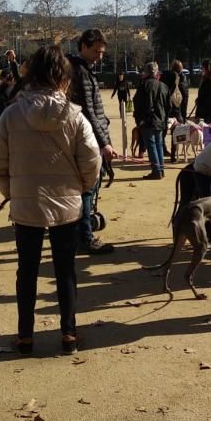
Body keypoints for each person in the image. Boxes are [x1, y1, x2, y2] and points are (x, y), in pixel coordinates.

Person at [0, 45, 101, 356]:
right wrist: (81, 187)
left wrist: (11, 191)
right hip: (67, 203)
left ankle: (25, 336)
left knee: (27, 270)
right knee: (65, 270)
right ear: (63, 78)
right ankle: (69, 335)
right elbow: (92, 161)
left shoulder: (11, 114)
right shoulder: (75, 116)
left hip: (26, 204)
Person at [68, 29, 116, 255]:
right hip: (87, 140)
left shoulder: (81, 70)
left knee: (85, 191)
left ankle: (80, 235)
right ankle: (84, 238)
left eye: (102, 52)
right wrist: (104, 142)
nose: (100, 56)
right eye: (96, 51)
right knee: (87, 190)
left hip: (86, 136)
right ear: (83, 46)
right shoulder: (80, 72)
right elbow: (89, 111)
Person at [133, 62, 170, 180]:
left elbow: (138, 103)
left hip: (148, 120)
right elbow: (169, 105)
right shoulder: (164, 86)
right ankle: (161, 170)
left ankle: (156, 171)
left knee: (152, 145)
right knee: (158, 144)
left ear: (146, 72)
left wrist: (139, 120)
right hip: (161, 119)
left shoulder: (144, 85)